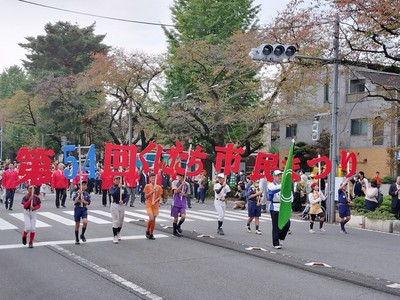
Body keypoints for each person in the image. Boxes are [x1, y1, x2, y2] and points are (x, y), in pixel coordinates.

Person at [267, 170, 291, 249]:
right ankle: (275, 243)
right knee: (276, 226)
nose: (280, 177)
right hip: (274, 206)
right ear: (274, 177)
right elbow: (274, 189)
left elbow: (291, 197)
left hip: (283, 206)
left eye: (281, 175)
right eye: (278, 176)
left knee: (287, 224)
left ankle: (281, 237)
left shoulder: (284, 185)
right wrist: (284, 185)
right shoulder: (271, 185)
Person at [109, 175, 129, 244]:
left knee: (121, 222)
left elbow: (127, 196)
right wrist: (118, 188)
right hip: (115, 205)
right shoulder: (112, 188)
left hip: (122, 205)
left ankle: (118, 232)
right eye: (116, 179)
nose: (117, 180)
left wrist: (123, 201)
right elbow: (113, 194)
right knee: (116, 221)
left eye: (118, 179)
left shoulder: (124, 188)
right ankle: (114, 236)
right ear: (114, 180)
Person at [144, 173, 163, 240]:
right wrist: (152, 191)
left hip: (155, 205)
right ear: (150, 179)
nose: (153, 179)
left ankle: (151, 233)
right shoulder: (147, 186)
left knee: (154, 220)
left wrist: (156, 200)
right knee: (151, 218)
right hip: (149, 204)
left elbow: (160, 196)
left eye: (154, 178)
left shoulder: (159, 187)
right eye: (152, 178)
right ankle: (147, 230)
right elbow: (146, 196)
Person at [171, 173, 190, 237]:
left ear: (183, 176)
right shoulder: (174, 182)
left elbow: (188, 194)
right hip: (176, 202)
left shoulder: (187, 184)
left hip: (183, 202)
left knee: (183, 216)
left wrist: (184, 194)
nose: (178, 177)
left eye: (180, 175)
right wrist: (182, 185)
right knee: (175, 218)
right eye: (178, 175)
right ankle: (174, 231)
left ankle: (178, 226)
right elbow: (175, 191)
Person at [72, 180, 91, 245]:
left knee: (85, 222)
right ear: (79, 186)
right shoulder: (76, 193)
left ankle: (82, 234)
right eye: (82, 185)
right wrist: (79, 195)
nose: (84, 186)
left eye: (85, 185)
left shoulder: (86, 194)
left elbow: (88, 203)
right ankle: (77, 238)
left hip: (84, 209)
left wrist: (84, 201)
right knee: (77, 224)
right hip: (77, 208)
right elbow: (74, 202)